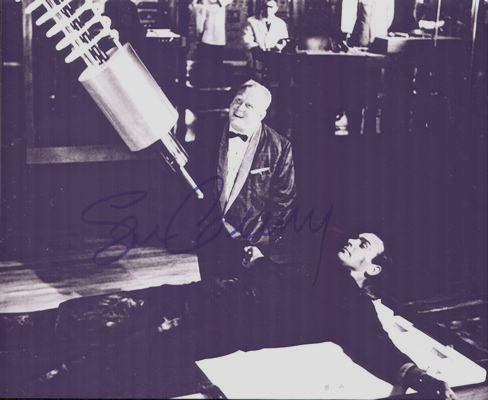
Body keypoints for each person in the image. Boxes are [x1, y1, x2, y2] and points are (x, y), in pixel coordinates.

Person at [190, 80, 296, 281]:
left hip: (249, 242)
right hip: (208, 234)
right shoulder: (208, 134)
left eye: (249, 105)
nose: (239, 108)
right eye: (237, 101)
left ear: (261, 114)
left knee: (243, 293)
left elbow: (284, 202)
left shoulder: (280, 147)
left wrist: (263, 242)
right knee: (209, 288)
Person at [190, 0, 232, 86]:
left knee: (217, 57)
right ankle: (203, 82)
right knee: (204, 57)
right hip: (204, 27)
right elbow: (194, 6)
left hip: (217, 29)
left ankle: (216, 82)